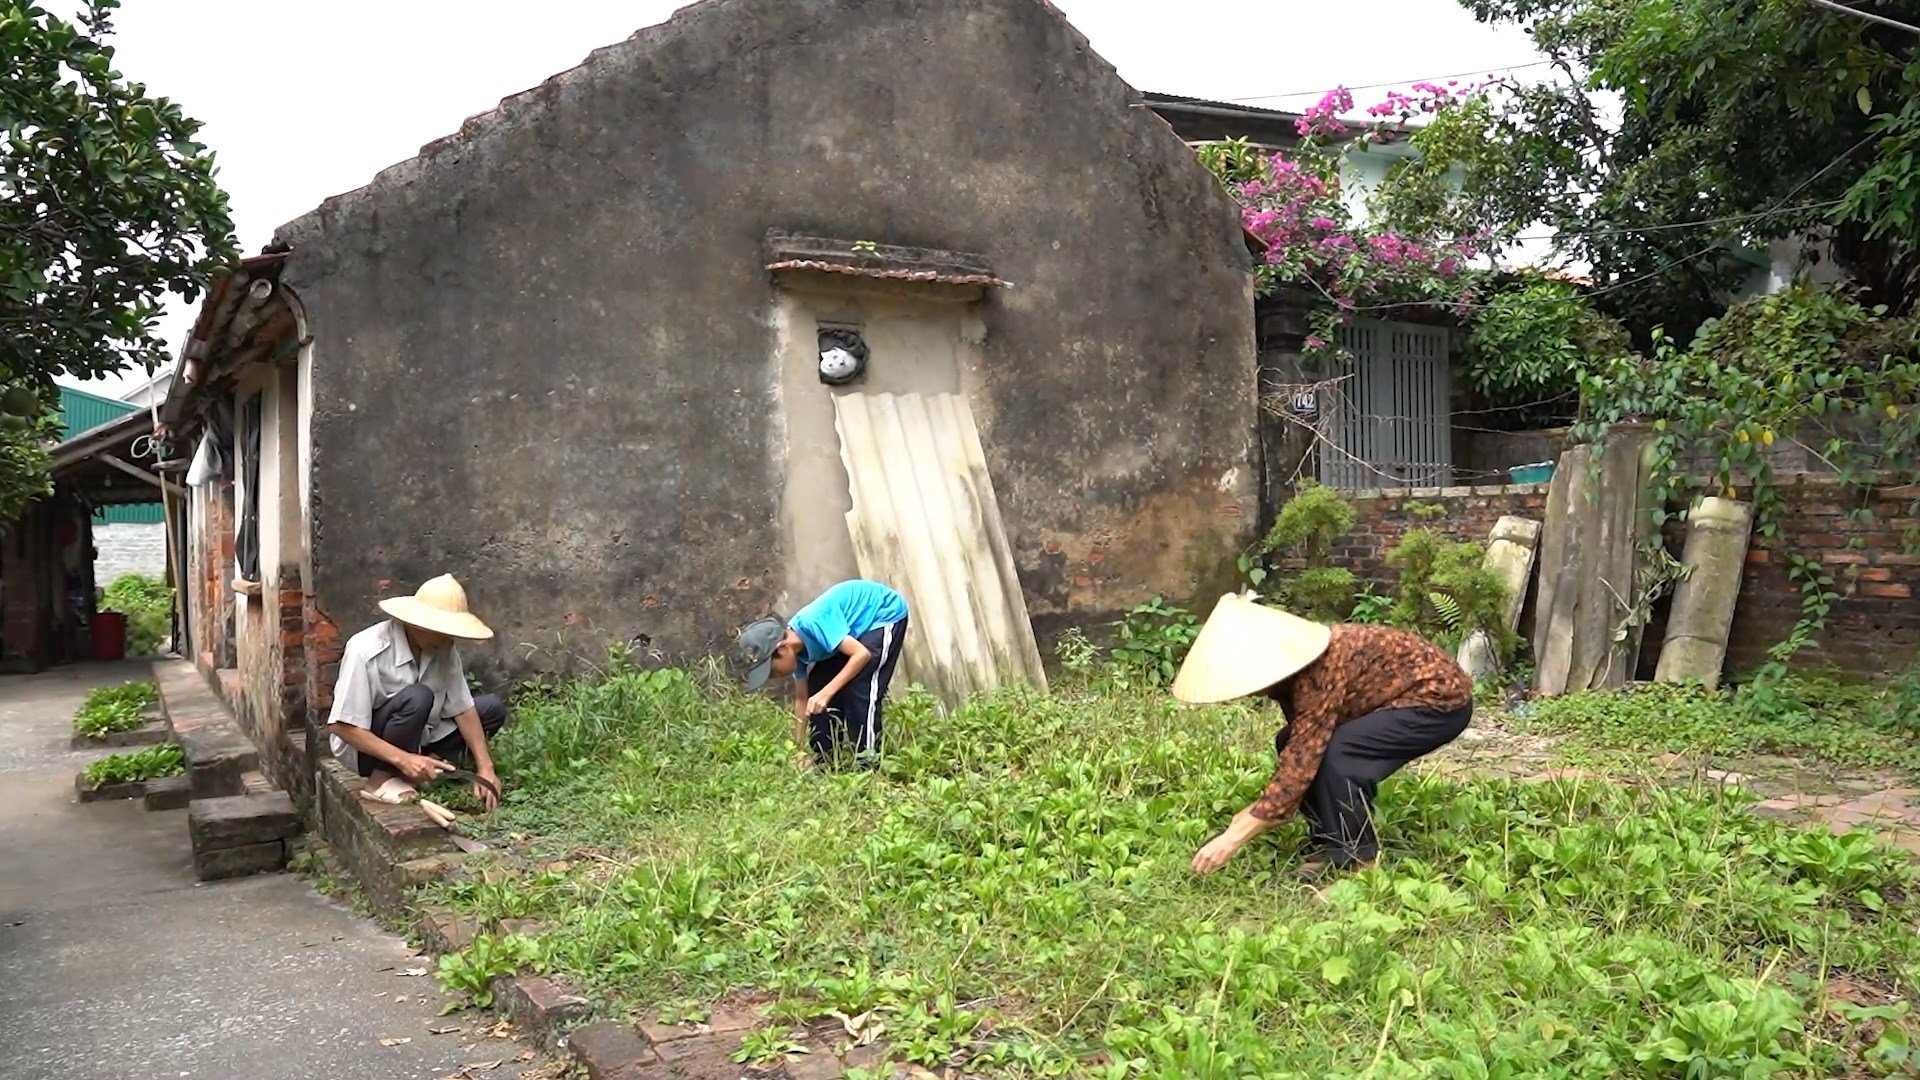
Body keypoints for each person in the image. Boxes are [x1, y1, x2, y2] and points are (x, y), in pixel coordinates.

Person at [1171, 593, 1472, 876]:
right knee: (1288, 741)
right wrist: (1261, 811)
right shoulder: (1286, 672)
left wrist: (1239, 832)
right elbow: (1300, 747)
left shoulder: (1318, 667)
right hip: (1390, 699)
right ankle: (1332, 843)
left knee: (1340, 756)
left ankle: (1360, 864)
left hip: (1439, 703)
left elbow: (1305, 760)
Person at [325, 574, 508, 811]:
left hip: (421, 737)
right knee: (418, 697)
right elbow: (342, 726)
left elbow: (463, 708)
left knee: (491, 708)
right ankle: (381, 780)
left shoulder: (443, 648)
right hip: (368, 750)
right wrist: (404, 759)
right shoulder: (365, 649)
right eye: (440, 631)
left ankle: (426, 765)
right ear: (416, 623)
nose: (446, 639)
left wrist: (486, 768)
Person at [736, 579, 910, 768]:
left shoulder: (814, 623)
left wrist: (826, 693)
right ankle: (825, 760)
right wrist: (798, 749)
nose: (774, 676)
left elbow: (862, 654)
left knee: (860, 691)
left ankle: (868, 765)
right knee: (817, 685)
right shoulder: (797, 654)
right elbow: (802, 700)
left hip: (882, 614)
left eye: (772, 670)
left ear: (782, 648)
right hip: (852, 633)